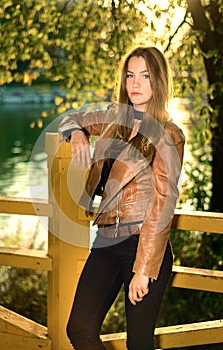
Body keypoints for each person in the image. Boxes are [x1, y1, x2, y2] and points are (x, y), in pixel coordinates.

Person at [59, 46, 185, 350]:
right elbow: (69, 118)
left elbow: (163, 204)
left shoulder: (170, 134)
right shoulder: (115, 118)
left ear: (158, 81)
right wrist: (76, 133)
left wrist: (144, 268)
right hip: (106, 240)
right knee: (79, 329)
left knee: (138, 344)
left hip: (143, 244)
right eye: (130, 75)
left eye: (145, 75)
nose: (136, 83)